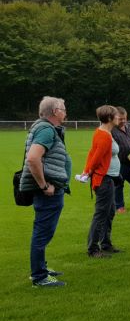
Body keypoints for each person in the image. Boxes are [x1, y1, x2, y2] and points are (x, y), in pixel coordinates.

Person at [20, 96, 72, 287]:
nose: (66, 112)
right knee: (42, 233)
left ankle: (41, 267)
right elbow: (33, 158)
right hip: (47, 191)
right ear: (55, 111)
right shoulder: (46, 130)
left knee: (43, 232)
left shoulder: (45, 128)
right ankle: (39, 276)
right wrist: (44, 186)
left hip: (52, 189)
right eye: (64, 109)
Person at [82, 105, 122, 258]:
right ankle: (93, 248)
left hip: (109, 178)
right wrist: (87, 172)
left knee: (110, 211)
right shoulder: (104, 135)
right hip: (103, 179)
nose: (119, 118)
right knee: (101, 213)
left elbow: (93, 153)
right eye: (116, 116)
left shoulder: (105, 133)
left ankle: (105, 243)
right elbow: (96, 156)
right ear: (110, 118)